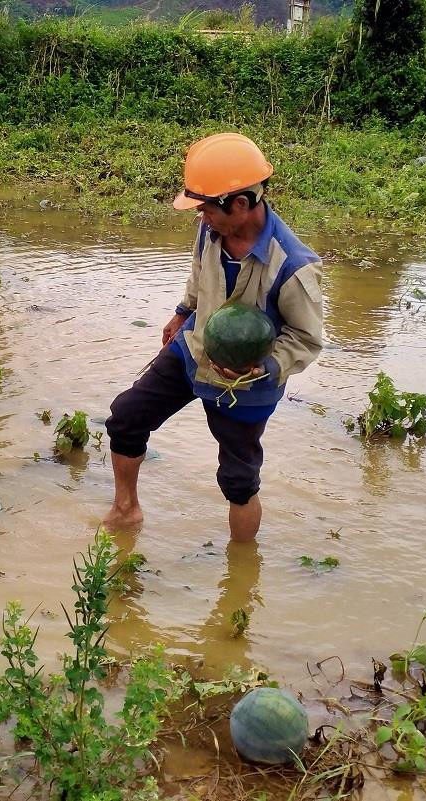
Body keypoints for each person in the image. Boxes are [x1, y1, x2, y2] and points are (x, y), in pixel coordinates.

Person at [103, 132, 325, 542]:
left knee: (239, 482)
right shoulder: (212, 230)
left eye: (206, 209)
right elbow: (198, 273)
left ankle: (240, 568)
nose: (201, 218)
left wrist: (264, 366)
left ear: (240, 204)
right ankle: (126, 510)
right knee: (126, 418)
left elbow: (307, 339)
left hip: (244, 385)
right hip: (194, 349)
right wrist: (182, 312)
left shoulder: (293, 267)